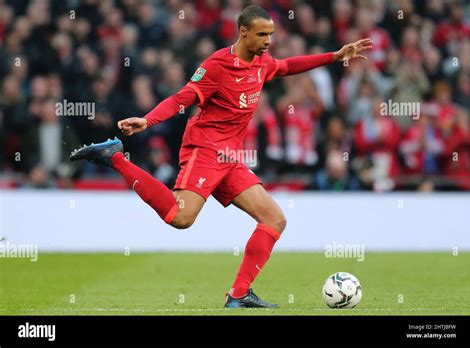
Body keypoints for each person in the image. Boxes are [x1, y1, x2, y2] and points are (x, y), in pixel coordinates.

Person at [70, 5, 372, 308]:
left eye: (271, 34)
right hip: (205, 150)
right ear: (243, 32)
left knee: (274, 219)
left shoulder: (261, 63)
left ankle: (239, 294)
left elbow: (288, 65)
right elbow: (181, 98)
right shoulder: (216, 65)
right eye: (262, 34)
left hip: (231, 157)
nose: (268, 41)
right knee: (180, 217)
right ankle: (115, 158)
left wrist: (334, 56)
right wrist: (147, 120)